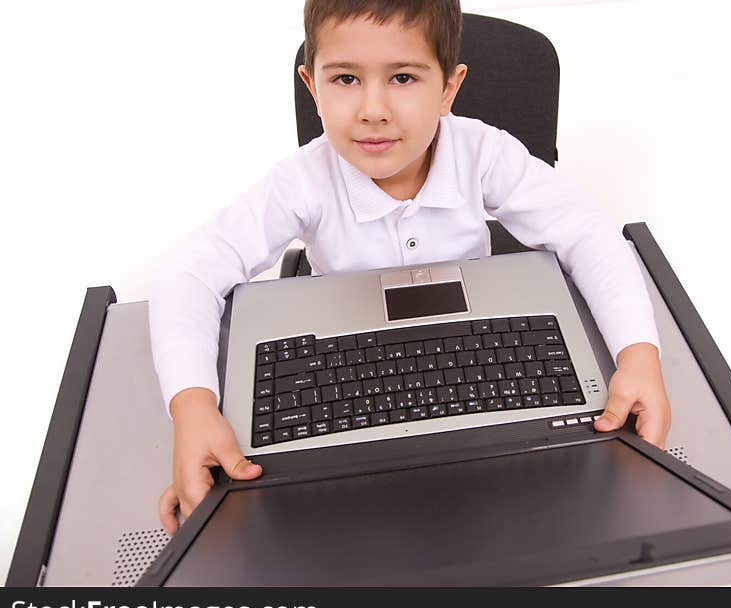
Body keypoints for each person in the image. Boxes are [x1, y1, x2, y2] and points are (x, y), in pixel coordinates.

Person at [149, 0, 671, 536]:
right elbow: (189, 272)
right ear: (312, 85)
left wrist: (638, 357)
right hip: (348, 371)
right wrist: (192, 409)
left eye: (402, 77)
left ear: (448, 87)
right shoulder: (303, 179)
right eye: (346, 78)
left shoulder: (483, 152)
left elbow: (588, 230)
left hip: (476, 359)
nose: (373, 110)